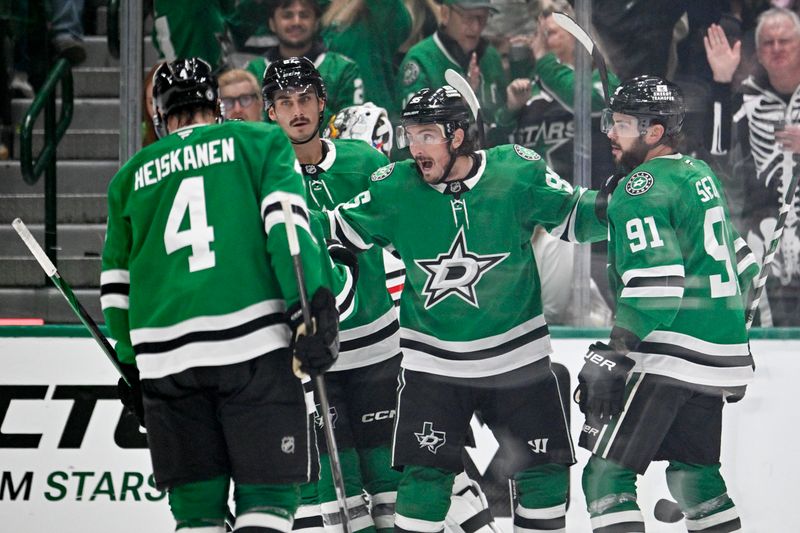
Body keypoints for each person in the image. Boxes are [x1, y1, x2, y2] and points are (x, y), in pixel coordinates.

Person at [326, 85, 609, 533]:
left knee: (545, 475)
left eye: (426, 135)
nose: (415, 148)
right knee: (424, 478)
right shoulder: (394, 188)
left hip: (519, 361)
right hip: (433, 368)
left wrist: (619, 201)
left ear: (457, 136)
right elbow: (334, 232)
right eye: (410, 136)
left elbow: (575, 216)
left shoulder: (517, 171)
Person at [100, 57, 344, 533]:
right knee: (267, 502)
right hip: (251, 349)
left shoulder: (127, 178)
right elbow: (288, 228)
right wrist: (310, 307)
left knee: (197, 514)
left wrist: (131, 361)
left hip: (167, 364)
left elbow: (116, 287)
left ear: (158, 114)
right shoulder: (259, 141)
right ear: (216, 104)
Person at [576, 75, 759, 533]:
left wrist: (617, 349)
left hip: (668, 355)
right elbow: (747, 267)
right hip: (715, 358)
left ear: (654, 132)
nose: (609, 134)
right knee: (693, 476)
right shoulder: (698, 175)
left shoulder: (639, 187)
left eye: (621, 125)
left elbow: (657, 285)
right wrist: (735, 340)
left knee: (606, 476)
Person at [262, 56, 400, 533]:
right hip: (313, 355)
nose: (297, 111)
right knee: (340, 501)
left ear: (323, 104)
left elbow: (407, 230)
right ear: (271, 112)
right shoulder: (263, 177)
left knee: (390, 492)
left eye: (305, 100)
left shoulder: (365, 161)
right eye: (285, 103)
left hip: (380, 346)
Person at [704, 7, 800, 326]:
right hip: (763, 224)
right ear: (757, 52)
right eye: (768, 43)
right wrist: (721, 81)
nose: (777, 48)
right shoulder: (749, 98)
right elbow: (717, 149)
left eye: (785, 41)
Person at [397, 0, 507, 145]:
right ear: (445, 14)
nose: (476, 27)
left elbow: (503, 123)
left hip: (489, 160)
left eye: (482, 18)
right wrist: (459, 100)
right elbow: (414, 128)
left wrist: (512, 106)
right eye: (469, 18)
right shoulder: (420, 59)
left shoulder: (491, 57)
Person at [245, 0, 364, 128]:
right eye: (287, 16)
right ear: (272, 23)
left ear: (316, 23)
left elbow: (352, 129)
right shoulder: (253, 72)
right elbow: (251, 130)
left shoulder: (344, 69)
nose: (296, 22)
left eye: (304, 15)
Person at [322, 0, 412, 120]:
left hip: (374, 119)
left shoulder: (378, 11)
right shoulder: (318, 7)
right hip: (327, 118)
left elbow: (401, 24)